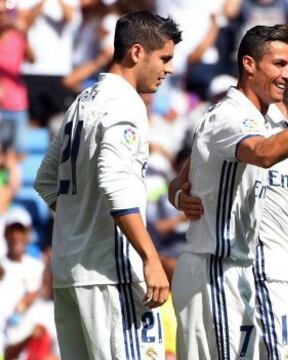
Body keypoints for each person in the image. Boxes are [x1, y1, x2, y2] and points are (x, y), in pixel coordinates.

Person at [167, 24, 288, 360]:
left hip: (237, 273)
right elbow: (264, 154)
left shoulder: (256, 120)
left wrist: (179, 196)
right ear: (249, 64)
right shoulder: (232, 116)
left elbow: (181, 181)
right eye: (280, 64)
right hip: (215, 270)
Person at [34, 11, 182, 359]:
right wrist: (150, 257)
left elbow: (45, 180)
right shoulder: (125, 103)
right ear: (135, 53)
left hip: (71, 272)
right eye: (164, 58)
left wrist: (81, 220)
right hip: (110, 272)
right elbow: (116, 183)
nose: (170, 69)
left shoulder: (83, 102)